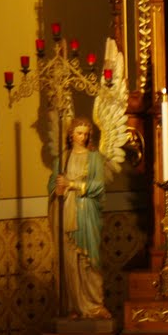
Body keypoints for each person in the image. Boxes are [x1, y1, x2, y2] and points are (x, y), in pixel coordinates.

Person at [48, 118, 109, 319]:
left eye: (85, 133)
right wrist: (57, 189)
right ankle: (72, 306)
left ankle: (94, 305)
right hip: (66, 212)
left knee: (89, 259)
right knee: (69, 261)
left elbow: (98, 185)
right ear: (70, 135)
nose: (82, 137)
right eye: (79, 133)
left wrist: (73, 184)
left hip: (86, 212)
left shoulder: (94, 158)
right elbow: (52, 187)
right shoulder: (62, 159)